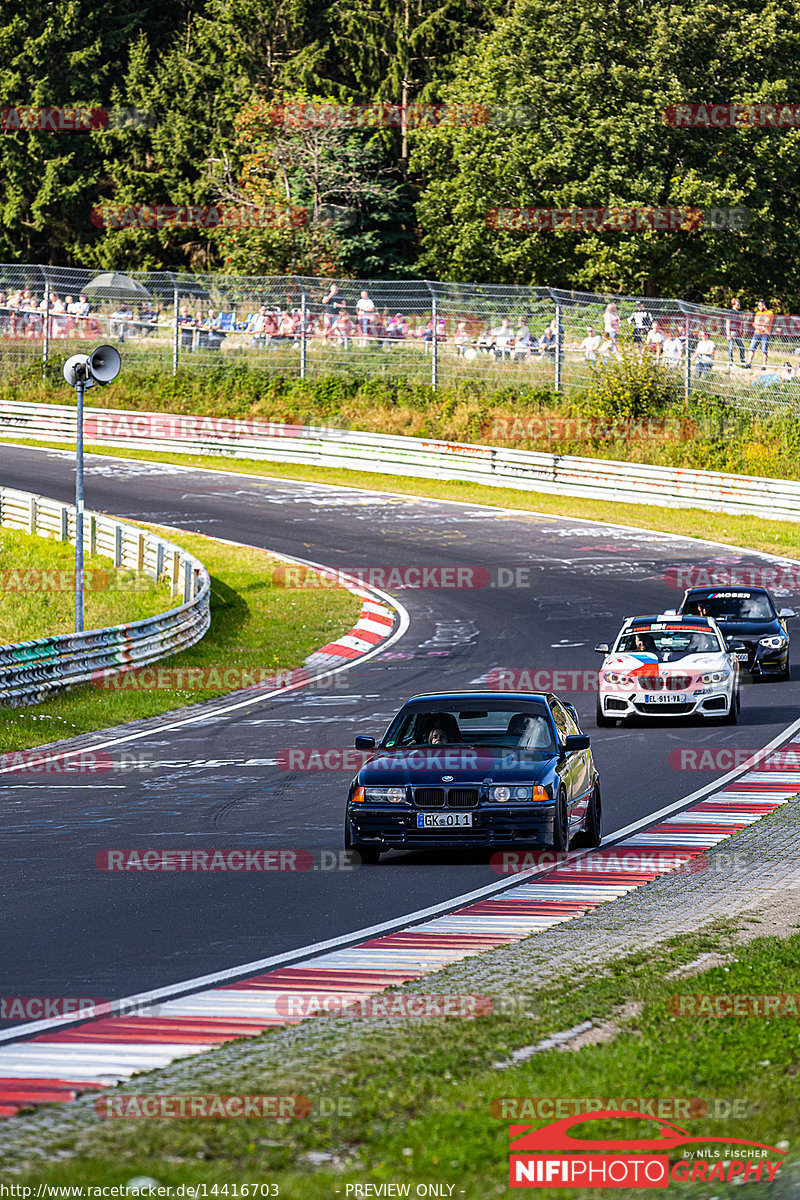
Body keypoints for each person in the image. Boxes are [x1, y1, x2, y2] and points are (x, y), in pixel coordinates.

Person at [745, 299, 774, 368]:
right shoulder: (758, 313)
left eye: (759, 306)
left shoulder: (770, 313)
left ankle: (764, 366)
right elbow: (755, 324)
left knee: (764, 350)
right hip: (757, 333)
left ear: (764, 306)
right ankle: (748, 363)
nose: (758, 307)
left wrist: (759, 325)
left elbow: (766, 322)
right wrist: (760, 326)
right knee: (751, 348)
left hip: (765, 333)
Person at [726, 297, 745, 366]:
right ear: (733, 305)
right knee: (731, 347)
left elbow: (740, 323)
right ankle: (731, 362)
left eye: (739, 304)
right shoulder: (731, 312)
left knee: (742, 347)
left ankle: (743, 362)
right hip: (732, 332)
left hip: (738, 333)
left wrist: (741, 331)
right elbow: (728, 322)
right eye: (737, 304)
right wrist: (728, 334)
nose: (739, 306)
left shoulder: (739, 313)